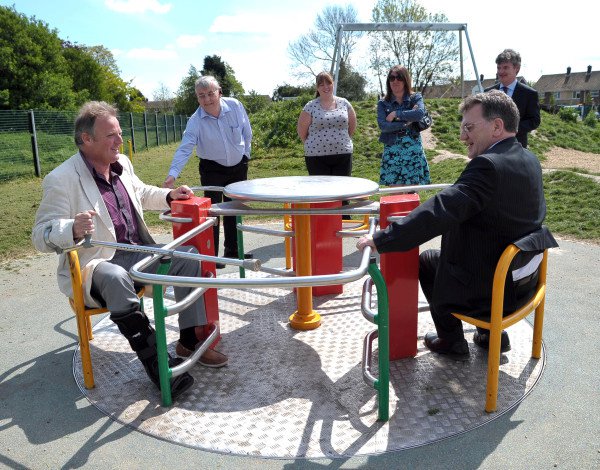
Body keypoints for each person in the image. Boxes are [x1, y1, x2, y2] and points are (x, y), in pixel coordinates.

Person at [32, 101, 228, 400]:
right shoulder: (61, 179)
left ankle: (188, 341)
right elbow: (40, 235)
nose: (119, 140)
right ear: (87, 139)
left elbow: (141, 191)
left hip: (136, 252)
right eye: (111, 135)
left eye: (119, 133)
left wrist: (170, 195)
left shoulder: (121, 163)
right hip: (97, 264)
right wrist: (70, 228)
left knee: (188, 256)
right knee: (114, 276)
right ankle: (156, 363)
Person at [357, 91, 557, 358]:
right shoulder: (528, 158)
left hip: (495, 292)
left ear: (497, 126)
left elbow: (441, 209)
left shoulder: (488, 166)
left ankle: (451, 340)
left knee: (428, 260)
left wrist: (383, 239)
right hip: (524, 281)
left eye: (469, 127)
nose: (463, 137)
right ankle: (489, 334)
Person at [164, 76, 252, 267]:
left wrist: (246, 156)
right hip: (212, 168)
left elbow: (247, 131)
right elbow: (185, 147)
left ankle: (234, 252)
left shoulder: (235, 106)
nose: (207, 99)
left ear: (219, 92)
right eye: (201, 96)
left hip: (238, 166)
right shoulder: (195, 120)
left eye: (211, 94)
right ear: (197, 98)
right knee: (212, 212)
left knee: (235, 209)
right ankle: (212, 256)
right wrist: (173, 174)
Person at [377, 66, 430, 186]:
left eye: (399, 77)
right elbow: (383, 126)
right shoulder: (383, 104)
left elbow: (419, 114)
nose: (395, 81)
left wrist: (396, 114)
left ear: (405, 79)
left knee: (412, 194)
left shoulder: (415, 97)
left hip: (412, 150)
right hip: (392, 151)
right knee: (395, 194)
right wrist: (407, 122)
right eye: (392, 78)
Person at [297, 71, 357, 178]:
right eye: (321, 84)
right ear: (317, 87)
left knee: (342, 192)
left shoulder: (345, 103)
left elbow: (352, 127)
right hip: (316, 157)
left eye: (328, 83)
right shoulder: (310, 106)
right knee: (321, 193)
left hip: (343, 155)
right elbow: (302, 132)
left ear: (333, 84)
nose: (326, 87)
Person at [485, 49, 540, 148]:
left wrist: (511, 129)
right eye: (499, 68)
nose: (501, 71)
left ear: (517, 69)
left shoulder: (529, 94)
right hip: (491, 145)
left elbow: (534, 121)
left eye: (505, 67)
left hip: (516, 145)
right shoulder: (488, 93)